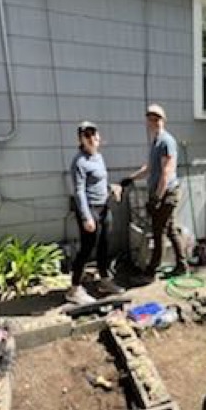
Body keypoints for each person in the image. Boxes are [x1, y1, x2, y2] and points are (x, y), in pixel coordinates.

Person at [121, 104, 188, 278]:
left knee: (158, 231)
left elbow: (167, 172)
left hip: (167, 193)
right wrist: (131, 178)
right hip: (160, 193)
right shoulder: (155, 142)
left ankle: (151, 270)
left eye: (157, 119)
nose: (154, 122)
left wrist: (156, 198)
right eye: (151, 119)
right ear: (147, 121)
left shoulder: (166, 141)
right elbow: (150, 168)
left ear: (163, 121)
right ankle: (182, 265)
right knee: (170, 229)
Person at [67, 121, 124, 305]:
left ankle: (104, 281)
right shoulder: (79, 162)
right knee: (86, 248)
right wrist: (86, 217)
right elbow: (79, 191)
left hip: (103, 207)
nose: (92, 138)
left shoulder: (98, 157)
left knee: (104, 246)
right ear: (81, 139)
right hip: (90, 209)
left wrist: (111, 188)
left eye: (94, 134)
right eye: (87, 135)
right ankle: (74, 289)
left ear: (98, 137)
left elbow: (98, 182)